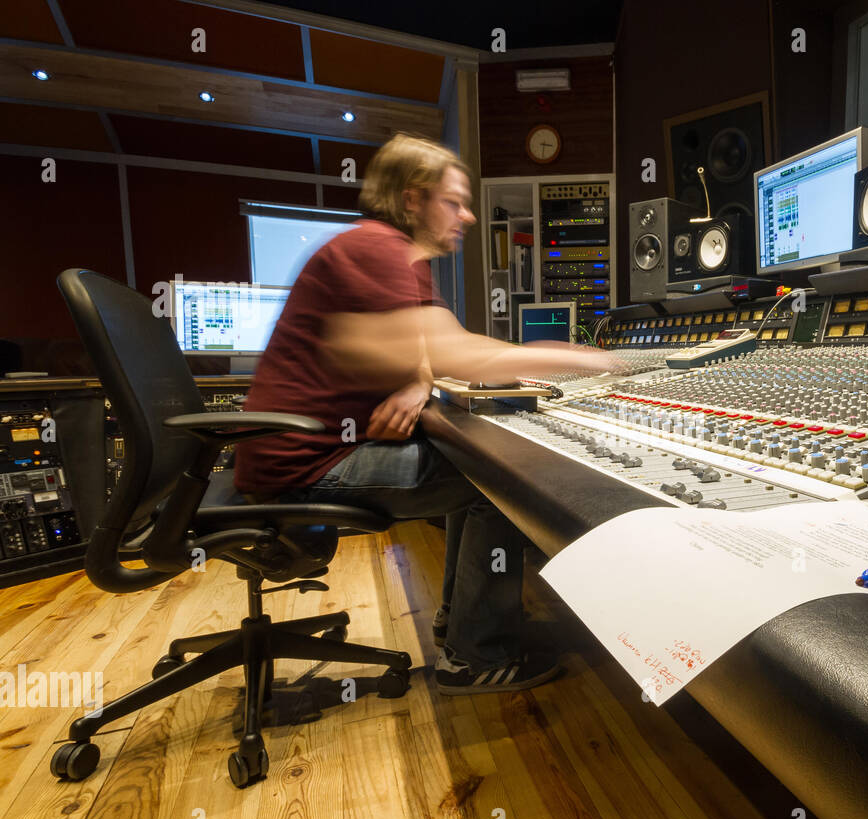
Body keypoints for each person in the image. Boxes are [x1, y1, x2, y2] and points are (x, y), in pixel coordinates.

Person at [234, 133, 613, 694]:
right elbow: (454, 352)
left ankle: (459, 621)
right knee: (500, 480)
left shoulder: (391, 255)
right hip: (306, 466)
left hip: (302, 452)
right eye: (453, 202)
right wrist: (586, 360)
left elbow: (435, 344)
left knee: (476, 461)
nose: (467, 215)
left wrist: (420, 379)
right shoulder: (376, 249)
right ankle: (476, 654)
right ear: (412, 199)